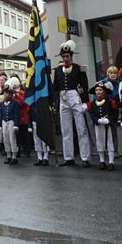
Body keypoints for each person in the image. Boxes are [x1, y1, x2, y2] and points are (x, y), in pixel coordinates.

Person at [53, 40, 91, 168]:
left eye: (67, 56)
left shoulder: (78, 69)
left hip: (75, 98)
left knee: (81, 129)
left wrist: (85, 102)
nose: (65, 58)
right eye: (63, 57)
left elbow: (84, 86)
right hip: (63, 99)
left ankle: (85, 157)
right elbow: (55, 87)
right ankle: (68, 157)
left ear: (71, 56)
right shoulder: (58, 70)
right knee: (66, 130)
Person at [88, 81, 118, 171]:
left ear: (104, 92)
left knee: (109, 141)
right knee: (99, 141)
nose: (98, 92)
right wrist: (97, 120)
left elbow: (114, 113)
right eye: (97, 90)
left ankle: (111, 161)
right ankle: (102, 161)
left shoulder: (110, 102)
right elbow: (92, 114)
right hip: (98, 125)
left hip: (108, 125)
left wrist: (108, 119)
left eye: (100, 90)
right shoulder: (92, 104)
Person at [0, 83, 21, 165]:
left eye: (7, 93)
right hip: (4, 122)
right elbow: (1, 115)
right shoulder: (1, 104)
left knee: (12, 139)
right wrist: (0, 126)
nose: (5, 95)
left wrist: (16, 125)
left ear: (11, 94)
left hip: (11, 122)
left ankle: (14, 156)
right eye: (4, 93)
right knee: (6, 139)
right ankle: (8, 155)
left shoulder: (15, 103)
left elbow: (17, 115)